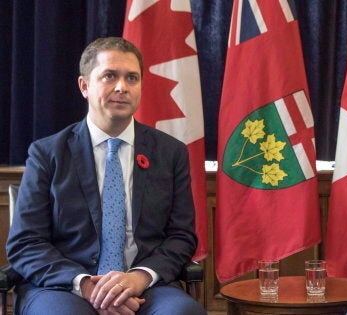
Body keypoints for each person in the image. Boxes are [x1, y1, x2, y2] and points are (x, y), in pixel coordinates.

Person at [6, 37, 206, 315]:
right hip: (63, 286)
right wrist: (87, 285)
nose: (122, 87)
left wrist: (138, 278)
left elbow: (181, 236)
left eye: (132, 78)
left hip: (145, 286)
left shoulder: (170, 153)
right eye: (110, 76)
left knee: (183, 313)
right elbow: (26, 243)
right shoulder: (47, 153)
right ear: (84, 86)